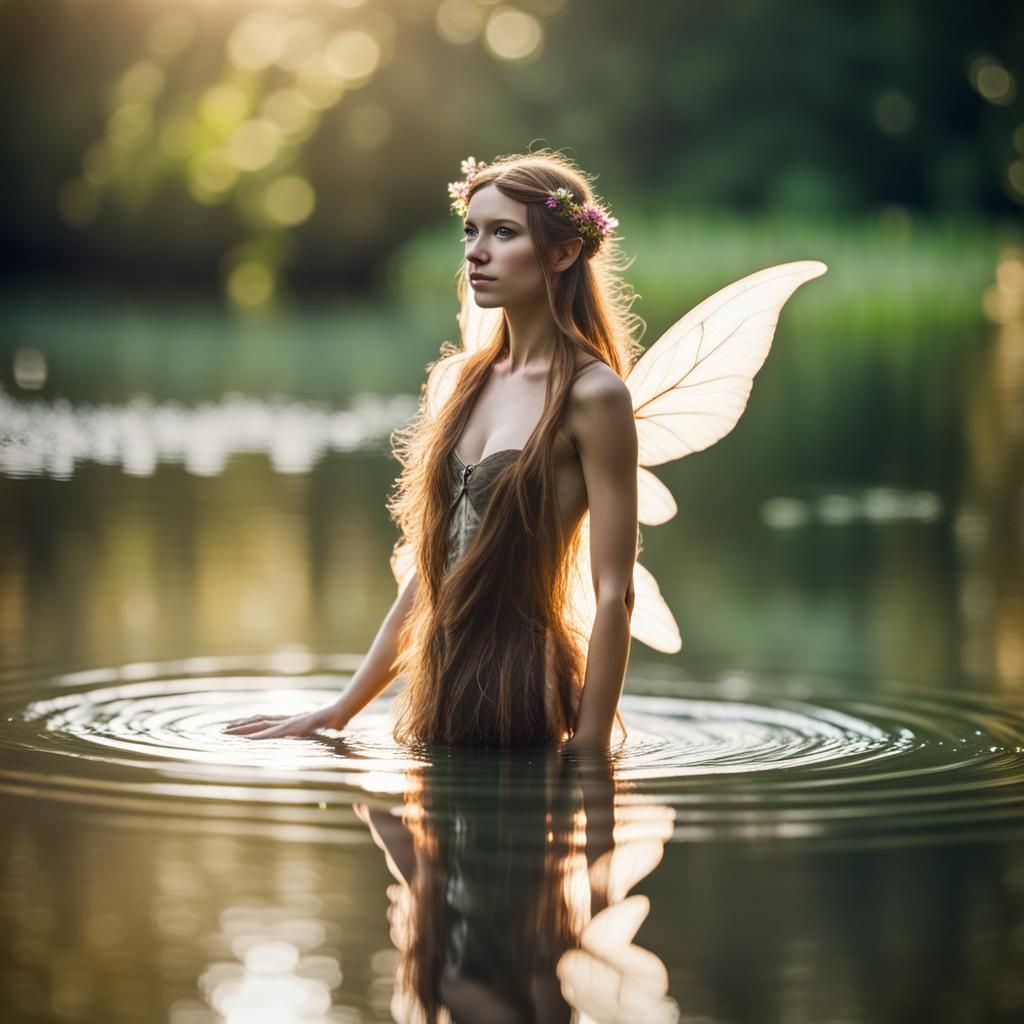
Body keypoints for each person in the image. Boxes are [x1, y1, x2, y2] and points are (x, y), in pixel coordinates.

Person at [226, 149, 642, 751]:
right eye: (470, 231)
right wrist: (340, 710)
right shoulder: (464, 380)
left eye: (503, 233)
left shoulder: (594, 394)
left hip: (519, 691)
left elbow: (615, 591)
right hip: (439, 686)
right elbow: (433, 572)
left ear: (563, 252)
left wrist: (592, 746)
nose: (476, 251)